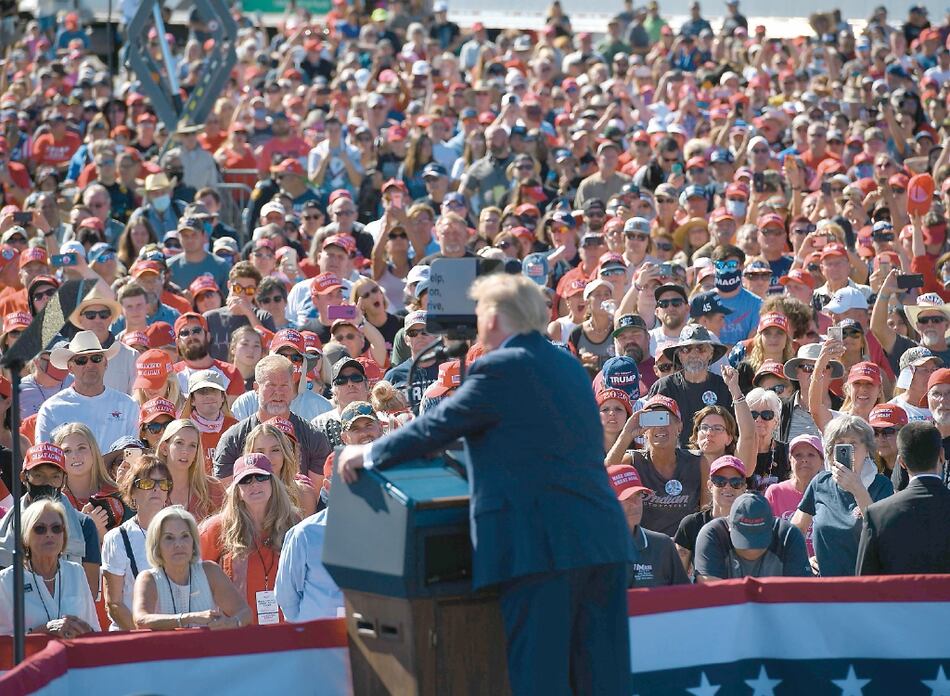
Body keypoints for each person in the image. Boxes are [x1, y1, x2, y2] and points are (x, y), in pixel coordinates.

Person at [337, 273, 631, 695]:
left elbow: (438, 425)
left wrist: (368, 453)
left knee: (541, 682)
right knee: (603, 683)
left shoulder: (502, 366)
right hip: (600, 545)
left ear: (493, 317)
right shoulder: (567, 364)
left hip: (541, 551)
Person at [199, 454, 299, 625]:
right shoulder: (216, 529)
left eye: (261, 477)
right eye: (246, 480)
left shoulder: (293, 523)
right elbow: (196, 580)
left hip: (285, 633)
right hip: (237, 634)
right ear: (236, 491)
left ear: (273, 482)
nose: (254, 484)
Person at [791, 415, 894, 577]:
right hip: (825, 588)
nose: (847, 449)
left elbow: (883, 535)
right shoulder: (820, 483)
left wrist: (857, 489)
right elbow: (795, 530)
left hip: (866, 587)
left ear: (867, 449)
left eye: (853, 444)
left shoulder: (882, 485)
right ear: (831, 453)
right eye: (840, 445)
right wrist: (804, 561)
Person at [214, 355, 332, 488]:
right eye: (271, 385)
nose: (278, 392)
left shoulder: (314, 437)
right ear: (256, 388)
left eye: (284, 385)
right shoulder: (233, 439)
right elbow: (226, 496)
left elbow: (314, 497)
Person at [132, 506, 250, 630]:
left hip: (207, 648)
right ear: (157, 545)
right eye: (169, 538)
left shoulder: (210, 571)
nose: (178, 544)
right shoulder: (149, 578)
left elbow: (245, 613)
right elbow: (141, 620)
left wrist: (232, 623)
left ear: (194, 542)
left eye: (185, 536)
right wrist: (189, 618)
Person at [857, 421, 950, 575]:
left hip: (899, 598)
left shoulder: (877, 515)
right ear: (941, 455)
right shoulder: (876, 514)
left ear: (901, 462)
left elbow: (866, 582)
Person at [0, 498, 99, 637]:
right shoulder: (6, 581)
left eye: (56, 528)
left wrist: (84, 629)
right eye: (40, 529)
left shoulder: (76, 572)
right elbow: (4, 645)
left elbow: (94, 629)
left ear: (64, 535)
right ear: (25, 537)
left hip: (75, 656)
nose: (49, 534)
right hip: (31, 658)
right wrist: (45, 630)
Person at [101, 455, 172, 631]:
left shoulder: (181, 532)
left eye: (163, 484)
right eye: (147, 483)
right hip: (131, 637)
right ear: (132, 491)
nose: (156, 489)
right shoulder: (117, 538)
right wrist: (146, 637)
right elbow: (114, 604)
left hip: (173, 638)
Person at [36, 331, 139, 451]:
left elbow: (134, 454)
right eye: (81, 360)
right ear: (70, 368)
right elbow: (45, 461)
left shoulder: (128, 405)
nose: (90, 365)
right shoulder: (51, 409)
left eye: (96, 358)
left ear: (105, 363)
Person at [694, 492, 811, 580]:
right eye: (745, 540)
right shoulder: (712, 535)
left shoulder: (789, 536)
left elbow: (799, 594)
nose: (751, 550)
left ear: (772, 527)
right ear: (729, 526)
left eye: (758, 540)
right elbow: (711, 594)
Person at [648, 323, 732, 446]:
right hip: (674, 460)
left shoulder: (724, 387)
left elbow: (735, 431)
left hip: (714, 459)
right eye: (686, 349)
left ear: (710, 354)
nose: (693, 354)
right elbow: (651, 431)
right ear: (680, 356)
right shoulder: (664, 387)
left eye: (700, 349)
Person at [607, 464, 688, 588]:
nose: (635, 504)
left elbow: (684, 598)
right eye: (626, 498)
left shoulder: (663, 546)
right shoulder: (589, 550)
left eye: (639, 495)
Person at [764, 434, 823, 557]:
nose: (804, 459)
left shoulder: (829, 493)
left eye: (811, 455)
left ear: (822, 461)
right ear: (790, 460)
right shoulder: (775, 492)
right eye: (798, 455)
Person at [156, 419, 225, 521]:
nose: (185, 451)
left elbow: (226, 528)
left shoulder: (212, 487)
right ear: (164, 448)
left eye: (192, 445)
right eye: (179, 443)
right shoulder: (150, 487)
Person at [180, 370, 239, 469]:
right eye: (202, 392)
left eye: (214, 390)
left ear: (223, 397)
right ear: (192, 400)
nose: (209, 396)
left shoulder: (236, 428)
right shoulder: (181, 429)